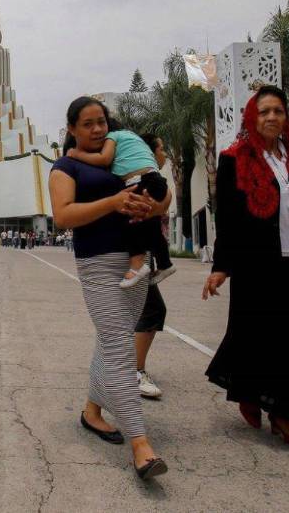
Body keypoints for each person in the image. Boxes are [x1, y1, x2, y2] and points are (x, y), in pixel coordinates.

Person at [203, 86, 289, 453]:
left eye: (278, 111)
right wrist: (221, 267)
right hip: (258, 265)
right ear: (252, 117)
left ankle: (271, 403)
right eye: (264, 111)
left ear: (286, 117)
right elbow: (229, 219)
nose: (271, 118)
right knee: (259, 334)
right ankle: (277, 413)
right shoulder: (233, 158)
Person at [50, 96, 171, 480]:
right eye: (87, 124)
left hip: (136, 261)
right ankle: (141, 444)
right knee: (119, 348)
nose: (97, 129)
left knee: (110, 341)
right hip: (99, 264)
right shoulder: (65, 166)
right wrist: (114, 201)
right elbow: (63, 216)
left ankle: (92, 412)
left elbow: (159, 196)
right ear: (72, 129)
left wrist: (149, 206)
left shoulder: (121, 156)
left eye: (101, 121)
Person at [67, 119, 175, 289]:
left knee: (130, 223)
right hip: (155, 180)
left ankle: (137, 265)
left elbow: (104, 158)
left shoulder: (113, 137)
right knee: (152, 227)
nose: (97, 132)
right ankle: (165, 263)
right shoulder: (133, 139)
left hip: (141, 181)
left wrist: (76, 154)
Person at [134, 134, 173, 399]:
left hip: (141, 256)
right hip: (135, 257)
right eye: (161, 147)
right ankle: (134, 371)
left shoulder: (144, 178)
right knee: (152, 310)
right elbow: (158, 208)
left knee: (146, 311)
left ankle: (129, 368)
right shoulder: (148, 181)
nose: (165, 152)